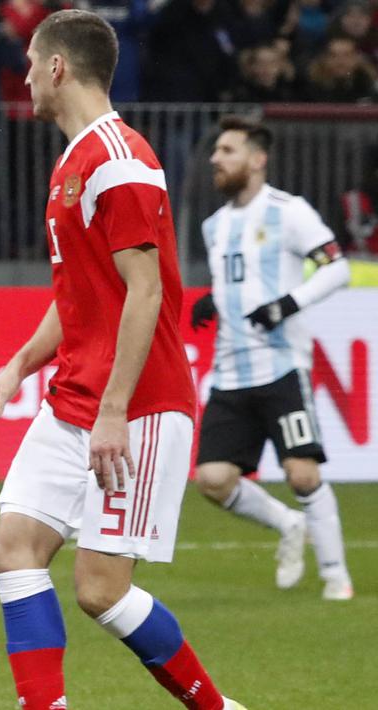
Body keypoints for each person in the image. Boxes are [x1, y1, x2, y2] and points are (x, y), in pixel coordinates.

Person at [0, 11, 243, 710]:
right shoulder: (73, 160)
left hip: (138, 405)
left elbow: (145, 291)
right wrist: (18, 366)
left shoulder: (117, 161)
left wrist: (115, 412)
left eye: (32, 62)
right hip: (72, 398)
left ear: (57, 67)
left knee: (99, 590)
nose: (25, 75)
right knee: (12, 550)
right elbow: (80, 295)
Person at [190, 115, 353, 600]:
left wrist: (288, 303)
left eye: (228, 151)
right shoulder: (214, 225)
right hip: (230, 371)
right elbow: (239, 280)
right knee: (213, 480)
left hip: (281, 366)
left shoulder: (289, 210)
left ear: (257, 160)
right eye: (216, 151)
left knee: (303, 472)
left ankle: (335, 576)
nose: (216, 159)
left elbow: (337, 268)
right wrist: (214, 297)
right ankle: (288, 525)